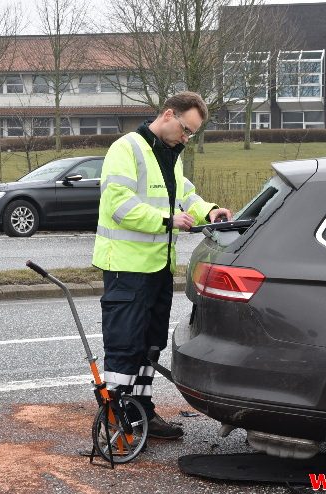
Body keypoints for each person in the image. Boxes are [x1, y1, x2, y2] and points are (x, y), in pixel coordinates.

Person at [92, 92, 231, 439]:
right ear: (168, 114)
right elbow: (118, 205)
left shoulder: (170, 155)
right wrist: (167, 220)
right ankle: (116, 416)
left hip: (157, 268)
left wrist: (208, 210)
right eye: (185, 129)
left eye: (192, 134)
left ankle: (141, 412)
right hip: (127, 267)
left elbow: (184, 193)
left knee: (149, 344)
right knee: (125, 344)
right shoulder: (128, 148)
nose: (187, 138)